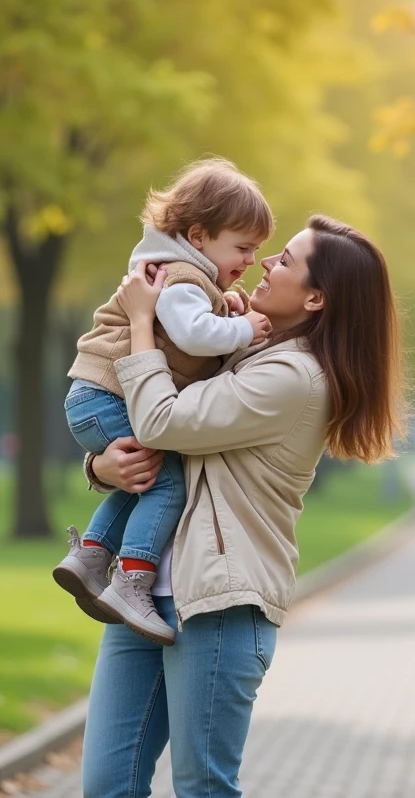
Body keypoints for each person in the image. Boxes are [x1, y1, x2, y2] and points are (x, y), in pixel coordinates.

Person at [78, 215, 407, 798]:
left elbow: (163, 420)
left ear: (314, 297)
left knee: (204, 786)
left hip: (219, 606)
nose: (266, 263)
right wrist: (102, 467)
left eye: (285, 260)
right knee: (108, 785)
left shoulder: (295, 377)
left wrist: (140, 323)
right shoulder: (244, 345)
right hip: (144, 593)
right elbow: (154, 444)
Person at [53, 158, 274, 645]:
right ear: (197, 237)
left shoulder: (188, 279)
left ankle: (91, 556)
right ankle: (133, 581)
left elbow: (193, 335)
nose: (253, 261)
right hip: (106, 395)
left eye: (257, 250)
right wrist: (242, 327)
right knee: (167, 483)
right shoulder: (179, 278)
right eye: (243, 248)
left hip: (97, 398)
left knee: (148, 476)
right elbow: (194, 336)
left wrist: (225, 305)